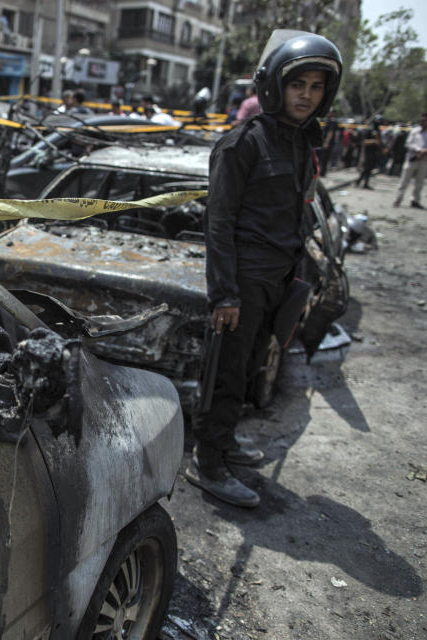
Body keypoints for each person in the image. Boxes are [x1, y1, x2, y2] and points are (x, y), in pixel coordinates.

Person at [187, 30, 342, 508]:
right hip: (244, 282)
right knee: (226, 375)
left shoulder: (301, 144)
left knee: (252, 367)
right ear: (276, 85)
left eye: (317, 87)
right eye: (299, 85)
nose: (307, 95)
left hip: (279, 279)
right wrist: (225, 295)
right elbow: (219, 222)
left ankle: (226, 442)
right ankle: (207, 463)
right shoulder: (242, 143)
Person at [393, 112, 427, 208]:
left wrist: (424, 152)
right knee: (404, 181)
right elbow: (408, 144)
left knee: (419, 183)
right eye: (422, 120)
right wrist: (419, 150)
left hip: (424, 160)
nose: (422, 122)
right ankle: (398, 199)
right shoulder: (415, 131)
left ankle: (415, 201)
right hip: (412, 159)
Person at [356, 115, 383, 189]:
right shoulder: (369, 130)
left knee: (369, 168)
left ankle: (365, 183)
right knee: (366, 168)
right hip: (368, 152)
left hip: (374, 152)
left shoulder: (378, 131)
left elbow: (379, 142)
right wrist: (374, 141)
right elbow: (364, 142)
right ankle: (359, 181)